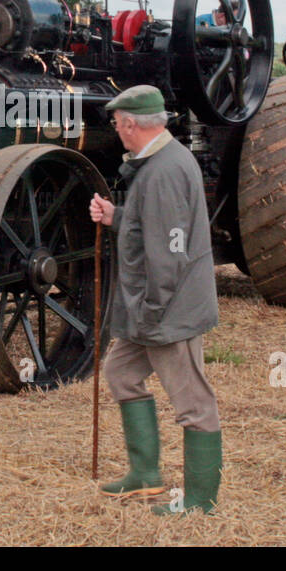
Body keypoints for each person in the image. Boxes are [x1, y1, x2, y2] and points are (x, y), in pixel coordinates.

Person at [89, 85, 223, 515]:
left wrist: (151, 311)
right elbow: (158, 227)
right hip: (153, 307)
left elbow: (168, 255)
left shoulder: (163, 171)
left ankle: (201, 502)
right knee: (121, 371)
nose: (116, 129)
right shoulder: (160, 163)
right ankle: (145, 477)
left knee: (193, 402)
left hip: (167, 309)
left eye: (116, 123)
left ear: (130, 124)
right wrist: (117, 217)